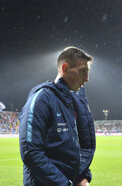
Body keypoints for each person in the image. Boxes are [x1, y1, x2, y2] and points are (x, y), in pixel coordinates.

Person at [19, 47, 95, 186]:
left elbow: (74, 147)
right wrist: (64, 184)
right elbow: (31, 152)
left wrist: (84, 176)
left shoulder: (74, 102)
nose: (87, 79)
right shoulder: (42, 99)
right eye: (83, 71)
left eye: (88, 72)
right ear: (65, 68)